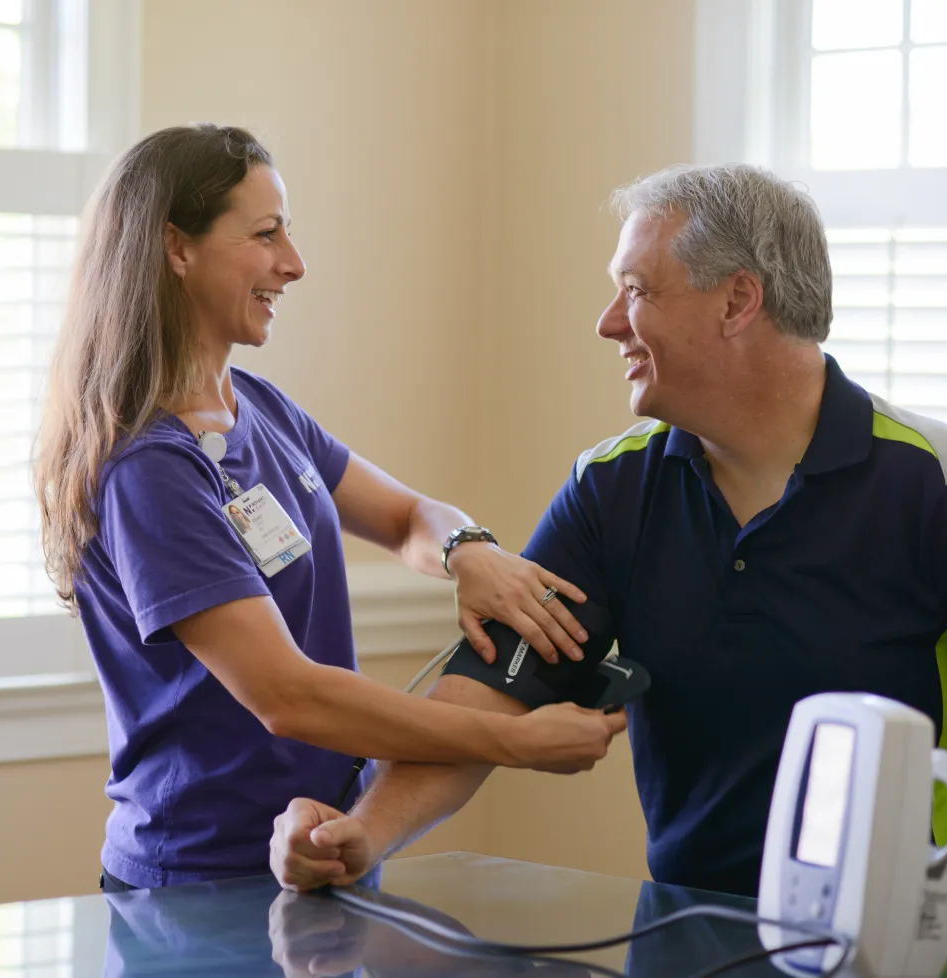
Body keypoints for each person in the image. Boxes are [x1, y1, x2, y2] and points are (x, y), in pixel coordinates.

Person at [269, 163, 947, 928]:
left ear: (737, 302)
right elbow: (489, 700)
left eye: (635, 290)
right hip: (692, 937)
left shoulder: (936, 482)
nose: (608, 323)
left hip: (917, 948)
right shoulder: (612, 488)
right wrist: (361, 835)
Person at [33, 124, 627, 892]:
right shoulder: (152, 468)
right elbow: (288, 695)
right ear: (177, 247)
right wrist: (515, 740)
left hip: (319, 854)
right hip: (198, 882)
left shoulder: (261, 410)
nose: (295, 263)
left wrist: (466, 551)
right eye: (266, 234)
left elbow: (409, 516)